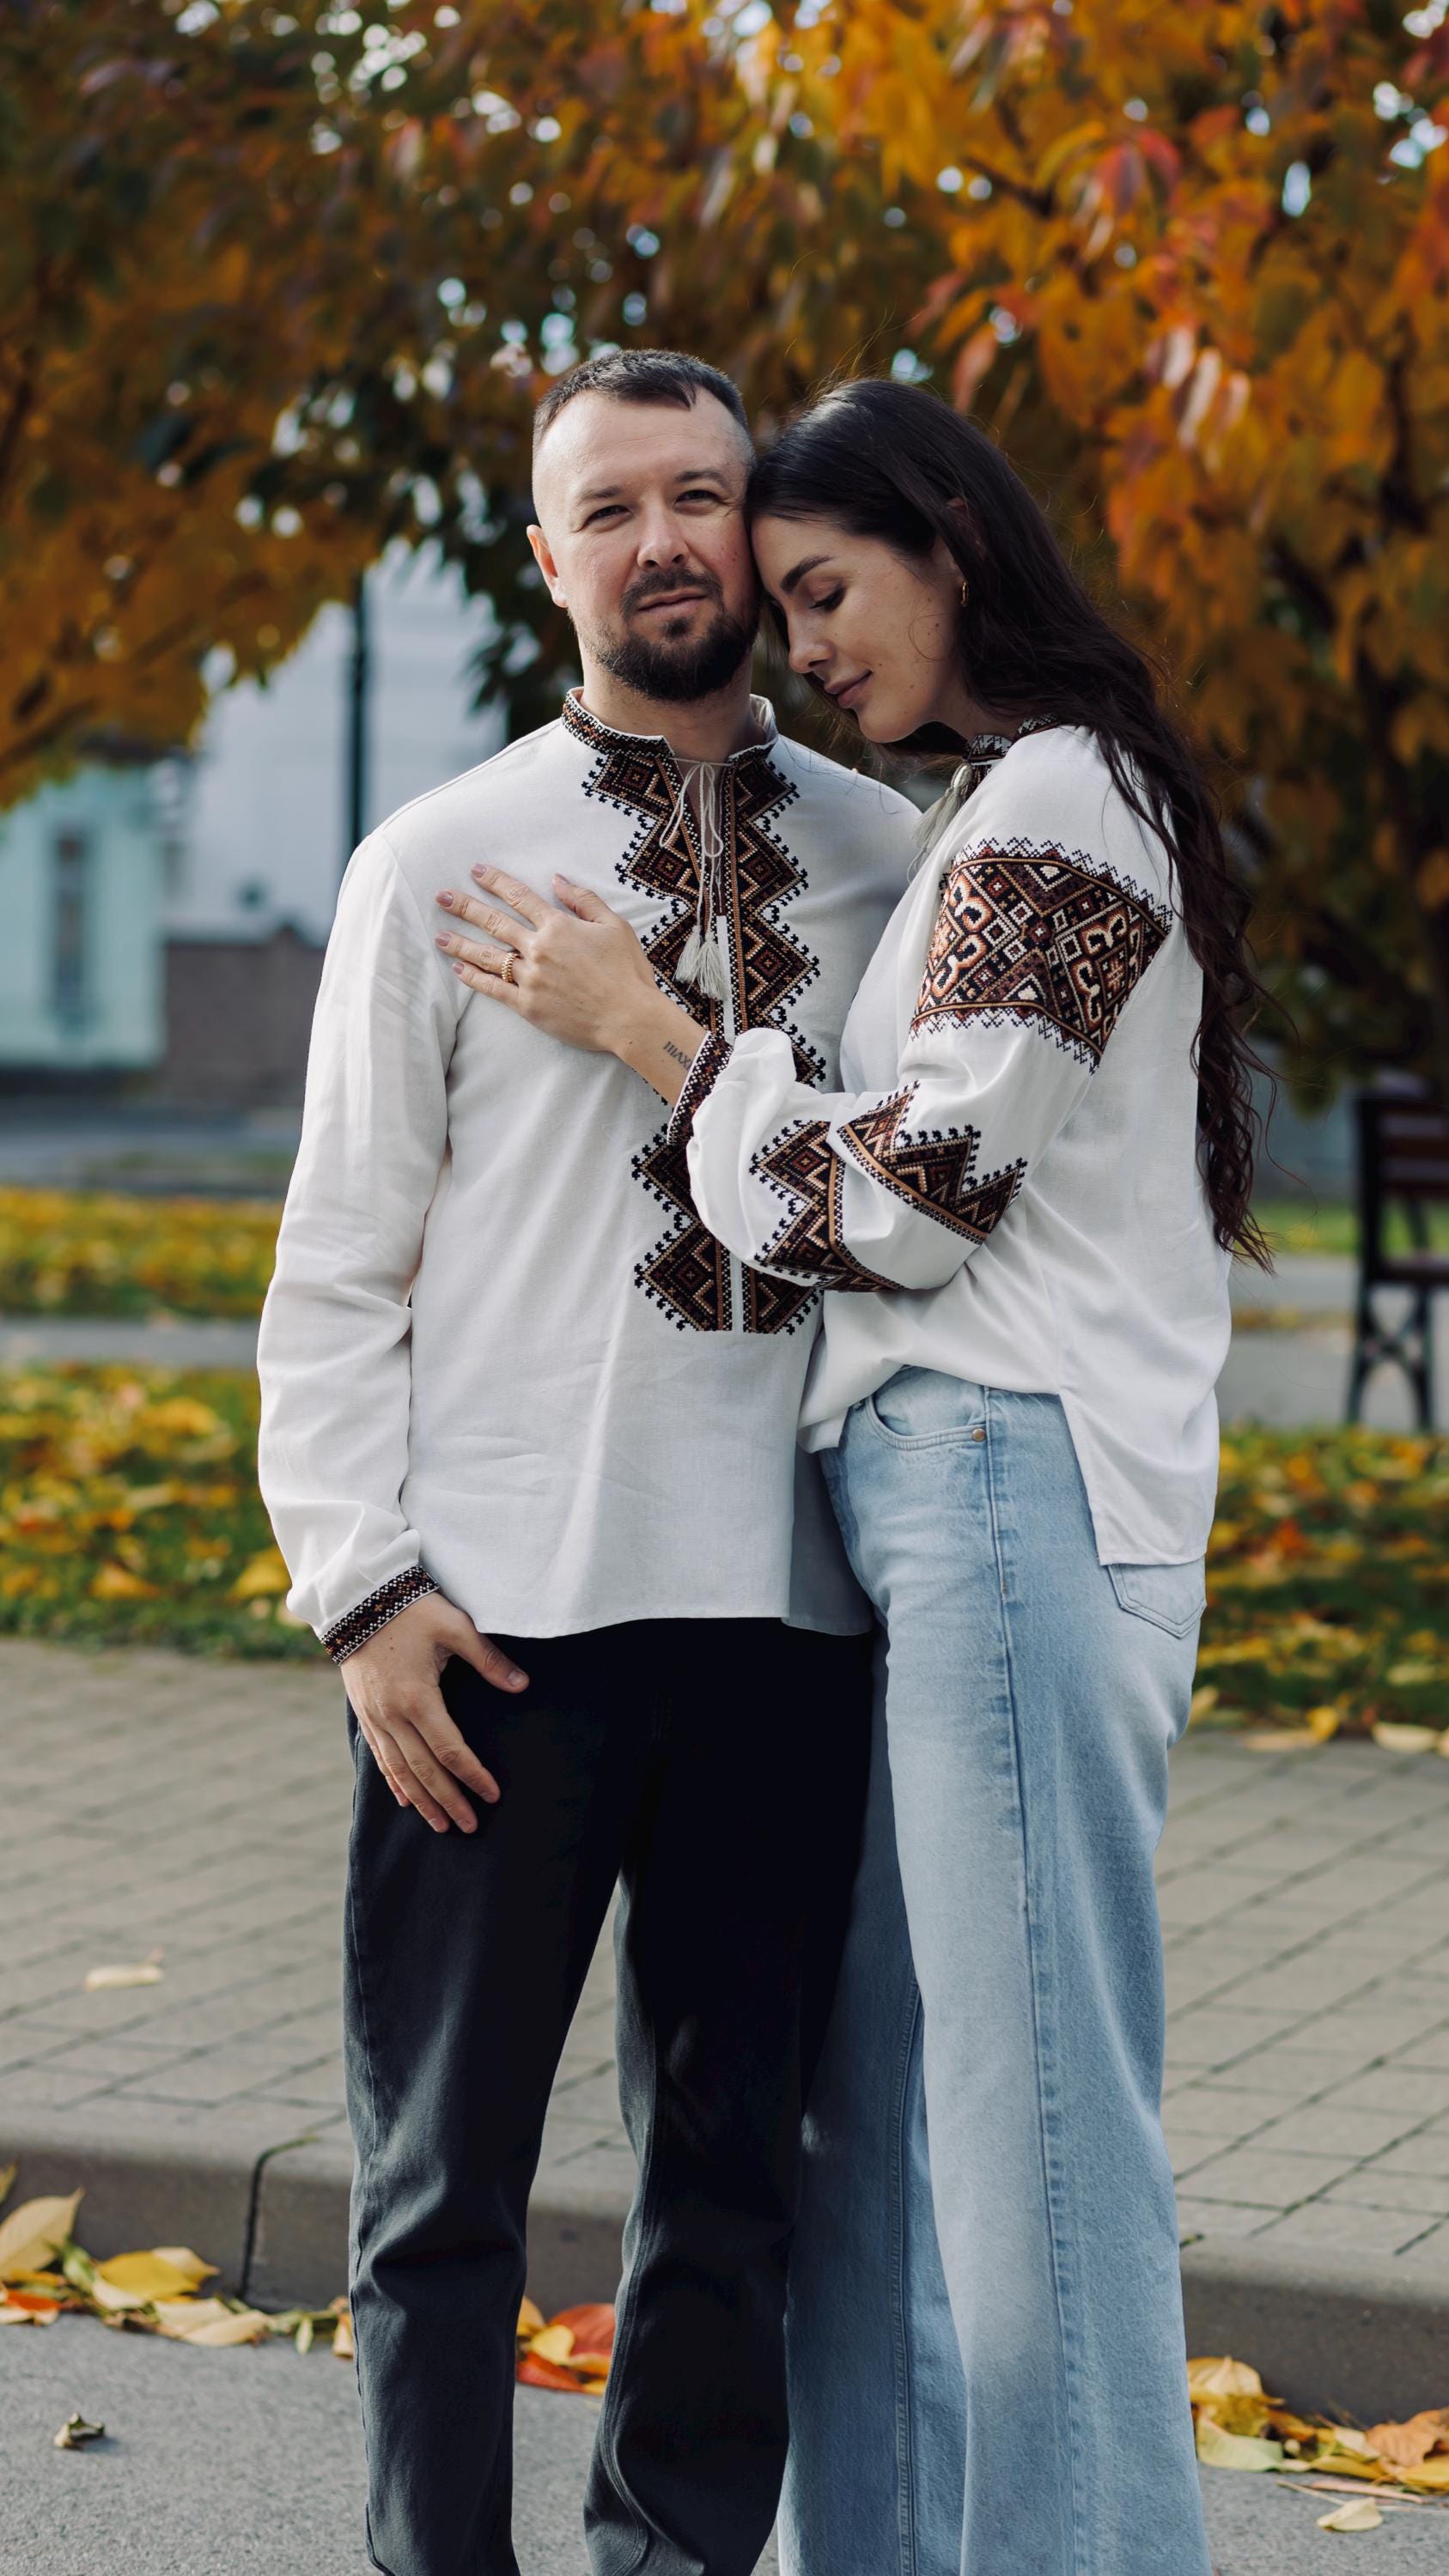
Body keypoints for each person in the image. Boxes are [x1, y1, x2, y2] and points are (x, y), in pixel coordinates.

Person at [437, 374, 1270, 2576]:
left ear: (950, 547)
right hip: (937, 1510)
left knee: (1034, 2147)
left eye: (824, 592)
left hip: (1010, 1495)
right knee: (876, 2135)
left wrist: (657, 1034)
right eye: (785, 609)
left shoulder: (1057, 811)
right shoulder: (998, 809)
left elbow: (911, 1200)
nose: (803, 648)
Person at [255, 349, 919, 2576]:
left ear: (761, 526)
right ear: (547, 561)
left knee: (733, 2185)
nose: (661, 543)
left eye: (698, 497)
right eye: (609, 510)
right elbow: (338, 1263)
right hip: (494, 1630)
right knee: (441, 2187)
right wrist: (362, 1591)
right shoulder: (435, 864)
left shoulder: (888, 862)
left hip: (791, 1620)